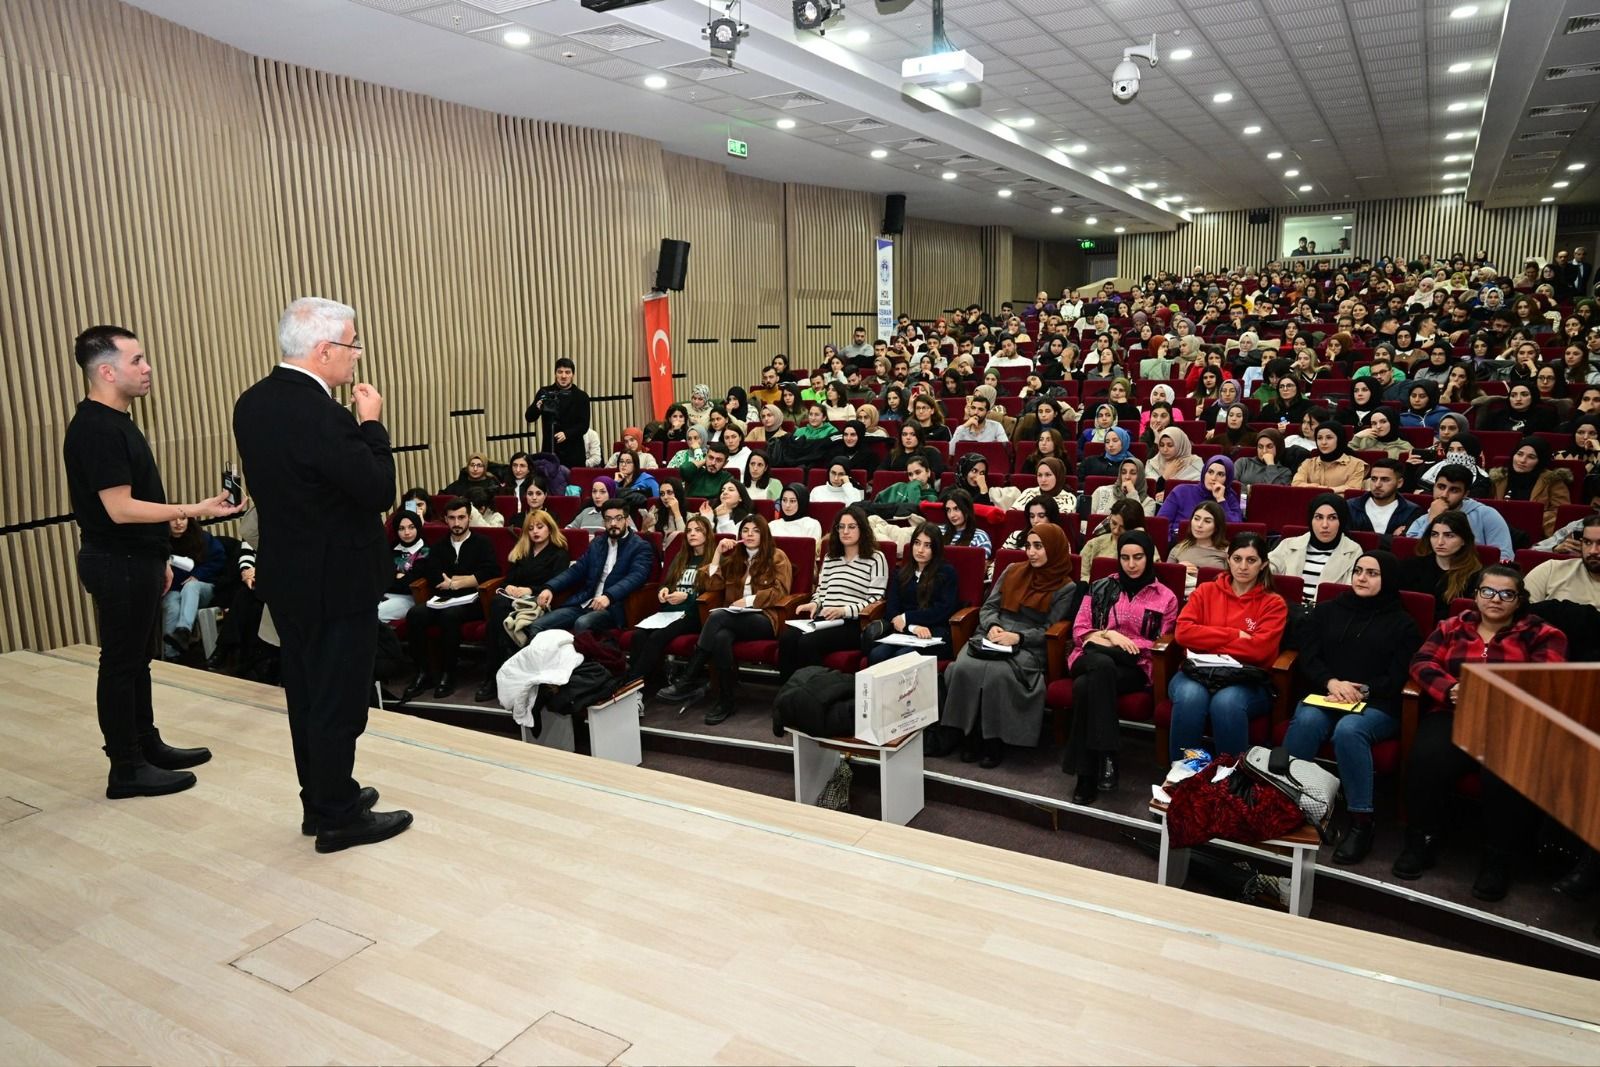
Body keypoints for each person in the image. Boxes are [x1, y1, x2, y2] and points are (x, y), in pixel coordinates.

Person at [233, 297, 411, 850]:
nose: (357, 356)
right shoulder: (325, 416)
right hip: (337, 581)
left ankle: (321, 798)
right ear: (325, 349)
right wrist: (373, 426)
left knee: (307, 694)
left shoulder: (251, 403)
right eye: (353, 344)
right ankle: (338, 818)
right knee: (339, 699)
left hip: (287, 576)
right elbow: (378, 490)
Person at [64, 325, 243, 799]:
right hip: (116, 561)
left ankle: (146, 745)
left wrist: (160, 555)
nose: (147, 369)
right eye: (136, 360)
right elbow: (119, 508)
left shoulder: (118, 421)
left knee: (138, 661)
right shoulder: (97, 428)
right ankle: (125, 767)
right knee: (120, 664)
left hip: (137, 559)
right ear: (106, 370)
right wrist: (193, 510)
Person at [1394, 566, 1567, 900]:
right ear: (1475, 595)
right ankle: (1422, 840)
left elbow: (1548, 680)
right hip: (1454, 711)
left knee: (1503, 775)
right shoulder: (1452, 626)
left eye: (1506, 594)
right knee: (1427, 758)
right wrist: (1452, 688)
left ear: (1520, 600)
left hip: (1511, 721)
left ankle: (1498, 858)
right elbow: (1422, 662)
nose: (1495, 600)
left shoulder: (1543, 634)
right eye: (1487, 591)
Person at [1283, 550, 1422, 864]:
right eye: (1359, 570)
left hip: (1377, 702)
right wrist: (1332, 682)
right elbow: (1309, 657)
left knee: (1349, 731)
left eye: (1372, 573)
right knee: (1306, 721)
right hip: (1327, 693)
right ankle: (1286, 802)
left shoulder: (1403, 624)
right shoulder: (1328, 611)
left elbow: (1400, 675)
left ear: (1387, 579)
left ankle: (1361, 822)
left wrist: (1364, 690)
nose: (1362, 577)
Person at [1064, 530, 1179, 803]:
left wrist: (1120, 641)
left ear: (1149, 557)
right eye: (1125, 557)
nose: (1131, 564)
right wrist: (1110, 636)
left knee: (1086, 686)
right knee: (1100, 666)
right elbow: (1080, 630)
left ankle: (1086, 773)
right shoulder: (1101, 586)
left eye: (1138, 557)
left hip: (1133, 667)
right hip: (1090, 656)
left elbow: (1160, 642)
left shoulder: (1165, 597)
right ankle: (1107, 755)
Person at [657, 514, 794, 724]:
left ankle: (689, 677)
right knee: (721, 637)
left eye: (755, 531)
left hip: (765, 618)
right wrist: (717, 555)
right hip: (734, 619)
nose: (749, 535)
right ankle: (726, 700)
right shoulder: (736, 558)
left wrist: (748, 601)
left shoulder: (777, 557)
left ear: (764, 534)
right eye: (745, 531)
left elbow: (780, 591)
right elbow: (711, 585)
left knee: (719, 616)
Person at [1166, 532, 1287, 759]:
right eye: (1237, 559)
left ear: (1263, 565)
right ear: (1228, 560)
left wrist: (1207, 639)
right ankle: (1185, 774)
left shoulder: (1273, 603)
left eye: (1251, 560)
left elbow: (1260, 650)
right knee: (1191, 697)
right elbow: (1183, 633)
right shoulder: (1205, 591)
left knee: (1226, 703)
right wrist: (1235, 635)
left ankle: (1229, 782)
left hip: (1246, 679)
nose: (1243, 566)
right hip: (1198, 673)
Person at [398, 498, 501, 701]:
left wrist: (457, 583)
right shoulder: (439, 547)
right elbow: (433, 574)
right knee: (415, 615)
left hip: (473, 601)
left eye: (461, 517)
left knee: (450, 615)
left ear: (469, 519)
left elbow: (491, 571)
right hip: (442, 598)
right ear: (445, 519)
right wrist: (462, 580)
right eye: (452, 518)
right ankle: (424, 673)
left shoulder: (482, 543)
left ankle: (448, 675)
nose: (457, 523)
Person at [776, 505, 887, 680]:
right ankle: (788, 693)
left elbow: (875, 599)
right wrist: (815, 603)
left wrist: (844, 611)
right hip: (824, 619)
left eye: (851, 527)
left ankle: (816, 695)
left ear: (862, 529)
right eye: (841, 527)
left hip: (853, 623)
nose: (845, 531)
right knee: (787, 638)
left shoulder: (876, 558)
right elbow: (822, 590)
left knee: (808, 643)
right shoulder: (830, 557)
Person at [473, 509, 573, 701]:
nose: (535, 532)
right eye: (531, 528)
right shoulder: (523, 552)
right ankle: (502, 671)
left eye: (540, 527)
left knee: (497, 612)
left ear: (550, 528)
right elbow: (507, 580)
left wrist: (529, 590)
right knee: (499, 605)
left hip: (540, 603)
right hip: (513, 602)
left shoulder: (559, 554)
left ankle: (493, 677)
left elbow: (557, 584)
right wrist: (509, 586)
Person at [522, 499, 653, 641]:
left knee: (582, 623)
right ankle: (543, 663)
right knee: (537, 625)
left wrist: (609, 596)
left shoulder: (640, 547)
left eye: (618, 518)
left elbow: (636, 577)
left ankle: (582, 663)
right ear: (603, 522)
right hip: (585, 602)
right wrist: (550, 588)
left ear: (627, 521)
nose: (613, 523)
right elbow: (576, 570)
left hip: (613, 607)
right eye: (608, 519)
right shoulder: (597, 543)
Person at [626, 514, 715, 691]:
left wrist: (687, 597)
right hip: (670, 612)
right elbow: (666, 584)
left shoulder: (713, 561)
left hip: (692, 614)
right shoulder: (681, 558)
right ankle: (645, 682)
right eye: (689, 531)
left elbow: (713, 594)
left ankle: (632, 686)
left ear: (707, 535)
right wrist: (663, 592)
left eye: (698, 530)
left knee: (657, 637)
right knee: (638, 635)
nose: (692, 534)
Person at [871, 524, 960, 665]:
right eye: (917, 543)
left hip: (935, 632)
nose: (920, 550)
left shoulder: (946, 573)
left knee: (902, 656)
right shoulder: (901, 572)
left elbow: (943, 611)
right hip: (906, 631)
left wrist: (907, 617)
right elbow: (892, 609)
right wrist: (912, 626)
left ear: (935, 549)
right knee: (877, 655)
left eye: (927, 545)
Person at [1402, 463, 1515, 562]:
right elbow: (1414, 554)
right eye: (1441, 487)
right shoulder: (1422, 520)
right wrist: (1431, 521)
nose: (1444, 495)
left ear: (1466, 494)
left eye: (1454, 490)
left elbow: (1504, 555)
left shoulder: (1487, 515)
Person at [1269, 493, 1363, 606]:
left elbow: (1351, 593)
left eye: (1332, 518)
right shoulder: (1289, 545)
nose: (1324, 525)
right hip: (1286, 611)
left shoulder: (1353, 551)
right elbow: (1265, 571)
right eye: (1319, 517)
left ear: (1342, 521)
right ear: (1311, 520)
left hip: (1329, 616)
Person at [1396, 508, 1485, 618]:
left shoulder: (1476, 576)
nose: (1440, 542)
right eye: (1434, 534)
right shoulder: (1410, 566)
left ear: (1464, 540)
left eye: (1449, 535)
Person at [160, 515, 225, 660]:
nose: (178, 523)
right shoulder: (161, 543)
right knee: (172, 605)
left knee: (191, 586)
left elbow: (219, 560)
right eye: (173, 519)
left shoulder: (202, 538)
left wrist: (198, 574)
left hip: (203, 588)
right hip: (174, 590)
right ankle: (172, 656)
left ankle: (183, 630)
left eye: (182, 519)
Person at [1488, 436, 1571, 538]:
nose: (1522, 460)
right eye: (1519, 454)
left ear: (1540, 460)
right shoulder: (1498, 479)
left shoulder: (1552, 481)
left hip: (1534, 536)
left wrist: (1534, 518)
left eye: (1531, 457)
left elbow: (1560, 515)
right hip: (1497, 532)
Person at [1158, 455, 1243, 542]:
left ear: (1227, 479)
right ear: (1204, 473)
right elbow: (1162, 522)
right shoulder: (1181, 491)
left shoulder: (1229, 498)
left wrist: (1221, 500)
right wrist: (1170, 543)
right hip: (1179, 543)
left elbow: (1235, 528)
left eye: (1220, 474)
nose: (1213, 478)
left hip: (1212, 547)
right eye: (1210, 472)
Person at [526, 357, 590, 468]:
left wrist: (567, 434)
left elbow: (584, 425)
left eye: (567, 372)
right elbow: (529, 417)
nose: (563, 376)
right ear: (555, 374)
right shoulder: (545, 392)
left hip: (573, 452)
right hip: (550, 449)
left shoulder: (581, 396)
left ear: (572, 375)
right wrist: (537, 407)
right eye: (560, 372)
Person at [1346, 457, 1425, 539]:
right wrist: (1391, 538)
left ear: (1399, 483)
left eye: (1385, 479)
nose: (1377, 485)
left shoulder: (1412, 512)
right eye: (1374, 479)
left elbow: (1403, 546)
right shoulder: (1350, 506)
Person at [1167, 501, 1230, 596]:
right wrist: (1178, 570)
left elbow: (1232, 584)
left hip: (1213, 597)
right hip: (1181, 597)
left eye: (1207, 521)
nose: (1199, 525)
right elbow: (1165, 581)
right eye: (1196, 519)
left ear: (1217, 527)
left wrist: (1202, 575)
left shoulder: (1227, 552)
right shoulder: (1179, 548)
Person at [380, 512, 429, 624]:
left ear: (418, 527)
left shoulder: (425, 551)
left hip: (409, 598)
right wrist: (398, 576)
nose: (407, 533)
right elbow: (381, 574)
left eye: (411, 527)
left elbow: (412, 581)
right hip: (384, 594)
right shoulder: (392, 547)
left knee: (376, 614)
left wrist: (394, 576)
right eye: (401, 528)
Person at [1080, 499, 1146, 581]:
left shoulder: (1146, 547)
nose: (1115, 531)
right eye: (1114, 523)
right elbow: (1083, 575)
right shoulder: (1094, 544)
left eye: (1123, 528)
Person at [1292, 423, 1369, 491]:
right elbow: (1296, 485)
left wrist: (1318, 489)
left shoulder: (1357, 465)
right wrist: (1333, 489)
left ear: (1339, 440)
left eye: (1329, 438)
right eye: (1319, 438)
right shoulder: (1307, 463)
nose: (1323, 442)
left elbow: (1352, 490)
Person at [1145, 426, 1204, 495]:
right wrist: (1164, 477)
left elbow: (1199, 491)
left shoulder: (1195, 462)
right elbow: (1149, 492)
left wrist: (1168, 494)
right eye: (1161, 445)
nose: (1165, 449)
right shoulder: (1152, 463)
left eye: (1170, 445)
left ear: (1180, 445)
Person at [1012, 456, 1077, 514]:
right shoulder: (1029, 493)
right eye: (1039, 475)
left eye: (1048, 475)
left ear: (1058, 476)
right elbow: (1014, 514)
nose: (1043, 480)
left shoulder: (1068, 498)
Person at [940, 487, 993, 557]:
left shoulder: (980, 537)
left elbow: (979, 564)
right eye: (948, 510)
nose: (951, 515)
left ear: (967, 510)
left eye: (956, 509)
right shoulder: (939, 531)